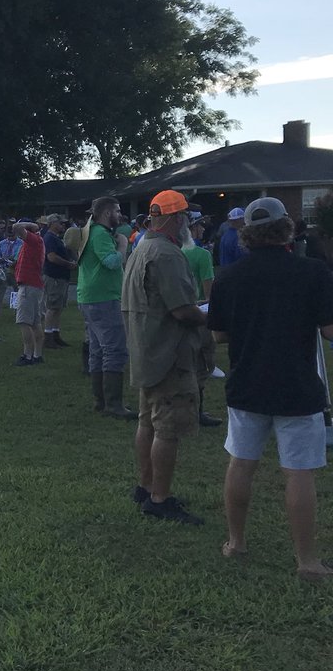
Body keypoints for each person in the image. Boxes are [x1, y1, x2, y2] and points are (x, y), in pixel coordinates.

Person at [208, 197, 333, 579]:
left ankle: (236, 542)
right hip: (298, 386)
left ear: (246, 233)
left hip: (247, 383)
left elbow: (219, 335)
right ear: (287, 229)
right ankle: (307, 561)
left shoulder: (229, 276)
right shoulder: (313, 272)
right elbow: (329, 330)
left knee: (241, 463)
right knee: (299, 472)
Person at [122, 190, 206, 525]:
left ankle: (146, 487)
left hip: (147, 349)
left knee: (147, 422)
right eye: (186, 216)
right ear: (175, 218)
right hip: (169, 353)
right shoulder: (168, 254)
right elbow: (183, 310)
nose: (189, 222)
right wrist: (210, 316)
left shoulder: (142, 247)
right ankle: (160, 498)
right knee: (167, 429)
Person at [78, 196, 135, 419]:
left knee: (98, 349)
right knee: (114, 349)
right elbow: (111, 262)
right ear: (106, 213)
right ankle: (113, 404)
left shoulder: (89, 231)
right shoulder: (100, 233)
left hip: (90, 296)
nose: (120, 215)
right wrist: (123, 246)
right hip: (103, 298)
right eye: (117, 211)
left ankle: (101, 401)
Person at [182, 212, 220, 427]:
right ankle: (197, 412)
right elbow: (209, 293)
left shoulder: (173, 252)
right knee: (203, 364)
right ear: (192, 229)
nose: (203, 229)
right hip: (199, 313)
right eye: (199, 226)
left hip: (177, 313)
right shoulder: (202, 255)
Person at [11, 218, 45, 366]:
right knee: (35, 322)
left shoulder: (33, 240)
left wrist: (31, 225)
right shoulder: (35, 242)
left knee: (24, 321)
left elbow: (16, 227)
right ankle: (37, 355)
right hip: (34, 285)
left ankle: (28, 355)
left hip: (28, 286)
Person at [42, 214, 75, 348]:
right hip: (54, 276)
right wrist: (68, 264)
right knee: (52, 307)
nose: (63, 225)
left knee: (58, 307)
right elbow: (51, 257)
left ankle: (55, 334)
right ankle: (48, 336)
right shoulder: (49, 238)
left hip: (61, 277)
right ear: (52, 224)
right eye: (60, 223)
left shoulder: (56, 238)